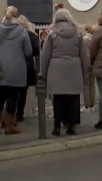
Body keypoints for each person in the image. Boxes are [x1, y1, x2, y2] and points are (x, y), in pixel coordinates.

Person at [39, 8, 90, 136]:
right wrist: (85, 74)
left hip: (56, 69)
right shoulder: (77, 35)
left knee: (58, 99)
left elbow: (45, 56)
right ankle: (71, 126)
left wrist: (43, 74)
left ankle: (57, 126)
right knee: (73, 98)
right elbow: (84, 56)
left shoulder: (52, 35)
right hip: (74, 68)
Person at [0, 6, 32, 135]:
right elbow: (28, 51)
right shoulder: (22, 31)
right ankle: (9, 127)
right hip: (17, 70)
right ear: (16, 16)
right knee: (13, 99)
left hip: (0, 68)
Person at [16, 15, 40, 123]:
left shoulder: (12, 35)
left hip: (15, 65)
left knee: (14, 92)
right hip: (27, 65)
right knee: (23, 92)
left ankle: (13, 114)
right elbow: (36, 50)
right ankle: (20, 114)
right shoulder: (31, 35)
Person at [81, 24, 97, 112]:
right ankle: (92, 106)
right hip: (94, 63)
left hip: (86, 64)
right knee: (92, 85)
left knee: (85, 85)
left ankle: (86, 106)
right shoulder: (95, 39)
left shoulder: (83, 39)